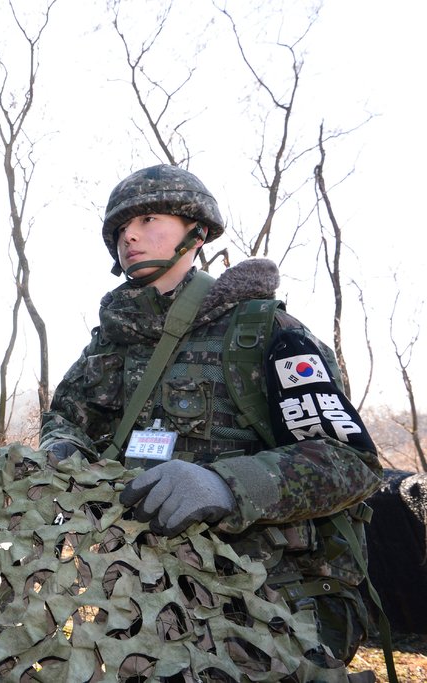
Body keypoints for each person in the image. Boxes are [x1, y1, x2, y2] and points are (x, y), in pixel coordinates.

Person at [39, 164, 382, 669]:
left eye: (149, 218)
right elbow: (65, 419)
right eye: (118, 230)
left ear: (195, 233)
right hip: (140, 599)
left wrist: (226, 485)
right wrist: (62, 451)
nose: (128, 235)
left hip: (263, 602)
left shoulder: (263, 331)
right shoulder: (112, 343)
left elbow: (350, 462)